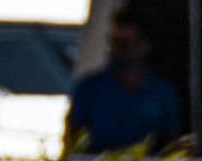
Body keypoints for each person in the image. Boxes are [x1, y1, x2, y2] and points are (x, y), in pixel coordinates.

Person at [66, 10, 185, 153]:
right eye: (112, 43)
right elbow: (72, 141)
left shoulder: (163, 93)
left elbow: (172, 146)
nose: (114, 50)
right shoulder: (89, 88)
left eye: (123, 44)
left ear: (144, 46)